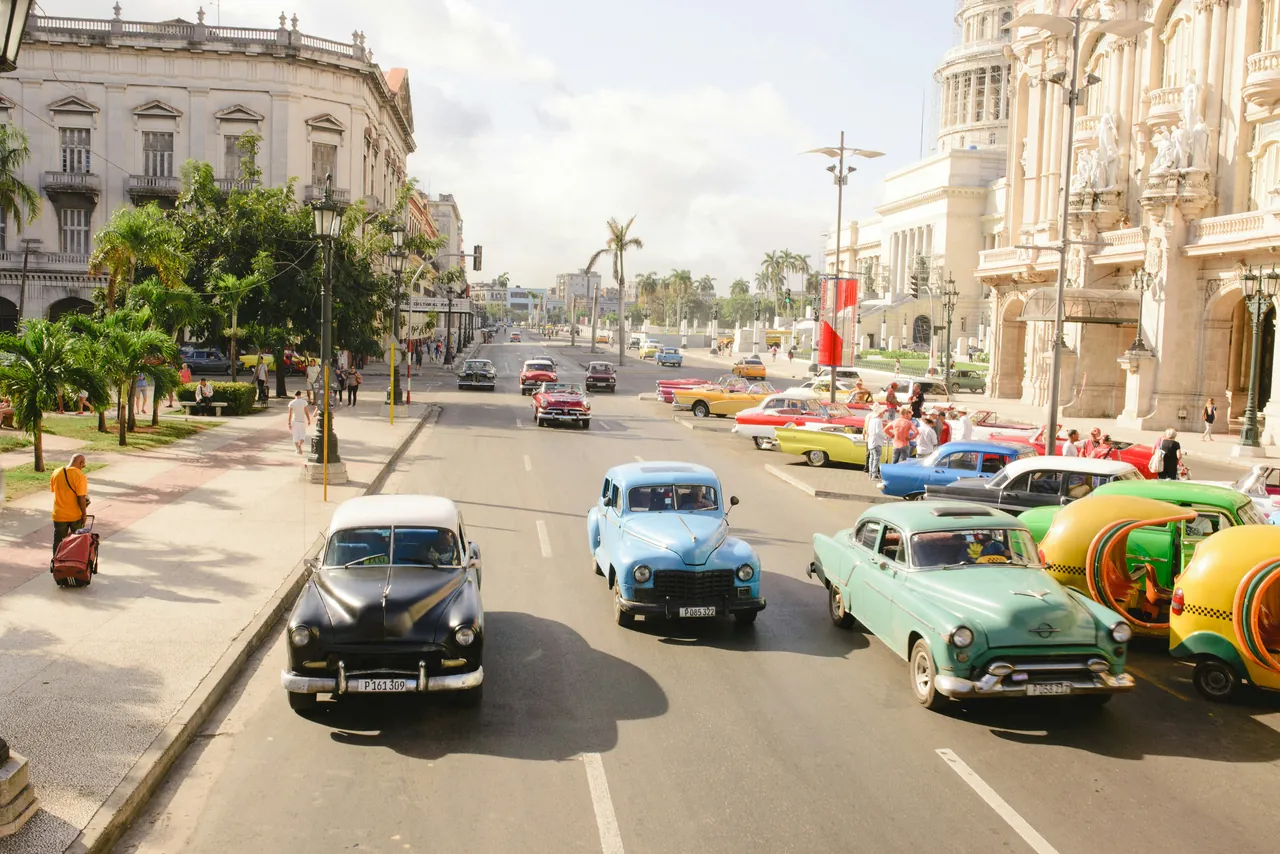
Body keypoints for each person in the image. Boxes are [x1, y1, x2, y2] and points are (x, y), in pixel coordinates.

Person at [50, 454, 89, 560]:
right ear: (81, 463)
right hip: (75, 516)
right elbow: (81, 498)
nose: (82, 468)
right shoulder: (80, 476)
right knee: (77, 541)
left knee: (58, 541)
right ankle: (76, 563)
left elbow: (54, 490)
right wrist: (84, 514)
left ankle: (56, 563)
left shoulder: (56, 472)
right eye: (83, 465)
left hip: (58, 515)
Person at [864, 406, 886, 481]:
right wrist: (885, 437)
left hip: (871, 441)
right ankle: (874, 474)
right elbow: (878, 431)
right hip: (877, 441)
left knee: (871, 458)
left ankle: (871, 473)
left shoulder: (872, 420)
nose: (884, 414)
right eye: (883, 413)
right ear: (880, 413)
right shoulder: (878, 421)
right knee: (876, 458)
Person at [287, 390, 311, 455]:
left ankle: (297, 449)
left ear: (295, 395)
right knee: (302, 435)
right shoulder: (304, 402)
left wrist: (289, 423)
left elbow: (290, 414)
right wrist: (309, 420)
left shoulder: (291, 403)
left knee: (295, 435)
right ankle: (300, 445)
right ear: (300, 395)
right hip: (302, 421)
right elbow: (306, 412)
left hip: (294, 421)